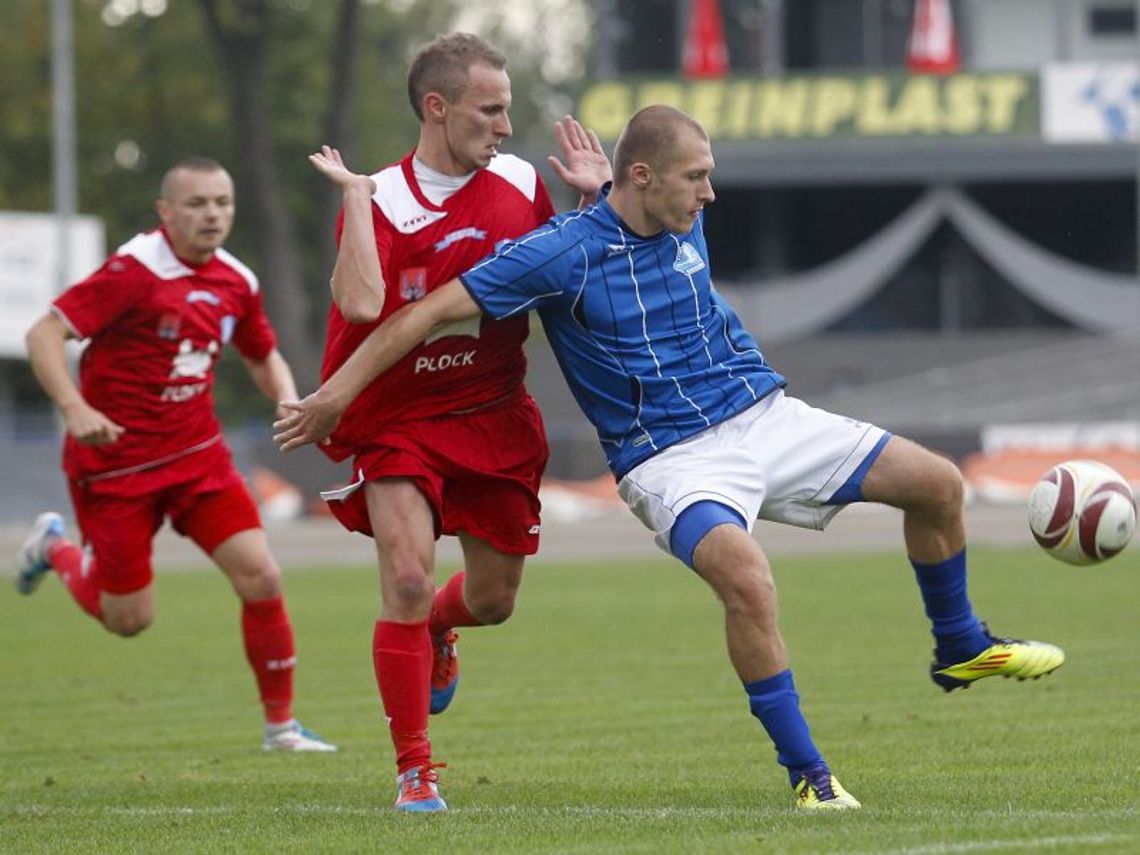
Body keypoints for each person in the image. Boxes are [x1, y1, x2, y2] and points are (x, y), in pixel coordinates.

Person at [274, 104, 1067, 809]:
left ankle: (960, 645)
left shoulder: (678, 212)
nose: (710, 194)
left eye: (709, 176)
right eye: (697, 176)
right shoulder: (557, 254)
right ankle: (811, 778)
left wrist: (608, 189)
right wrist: (335, 396)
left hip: (764, 414)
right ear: (646, 176)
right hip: (670, 457)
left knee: (939, 484)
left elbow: (634, 208)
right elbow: (427, 314)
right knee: (748, 579)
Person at [303, 33, 610, 812]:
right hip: (397, 417)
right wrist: (354, 200)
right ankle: (415, 771)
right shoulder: (378, 196)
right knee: (406, 577)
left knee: (496, 598)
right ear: (437, 108)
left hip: (494, 413)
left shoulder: (515, 183)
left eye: (508, 109)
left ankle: (444, 625)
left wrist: (591, 208)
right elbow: (362, 307)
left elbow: (565, 275)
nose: (508, 128)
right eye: (492, 109)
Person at [16, 156, 336, 754]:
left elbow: (262, 353)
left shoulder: (237, 280)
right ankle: (55, 547)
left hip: (197, 459)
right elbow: (43, 335)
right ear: (166, 212)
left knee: (262, 574)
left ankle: (281, 728)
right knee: (128, 621)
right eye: (197, 203)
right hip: (115, 468)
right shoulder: (133, 272)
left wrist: (291, 399)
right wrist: (75, 409)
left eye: (223, 202)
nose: (212, 214)